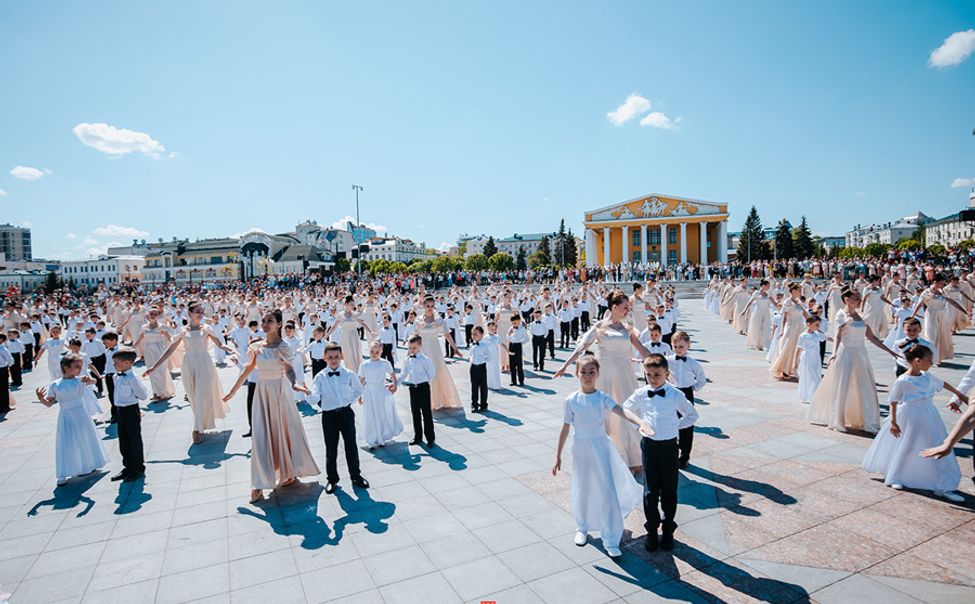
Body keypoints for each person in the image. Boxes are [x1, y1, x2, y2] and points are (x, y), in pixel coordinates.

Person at [552, 356, 647, 558]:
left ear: (598, 374)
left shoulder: (602, 397)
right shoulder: (570, 400)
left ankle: (611, 537)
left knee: (606, 489)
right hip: (580, 448)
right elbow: (565, 428)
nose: (587, 376)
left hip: (601, 446)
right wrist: (558, 456)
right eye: (583, 372)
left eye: (591, 372)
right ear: (577, 374)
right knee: (583, 487)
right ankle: (582, 527)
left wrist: (639, 421)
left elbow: (621, 411)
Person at [223, 310, 320, 503]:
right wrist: (232, 391)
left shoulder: (282, 347)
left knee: (283, 433)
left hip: (280, 393)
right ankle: (258, 484)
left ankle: (288, 471)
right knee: (261, 436)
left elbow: (290, 369)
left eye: (270, 321)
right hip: (262, 393)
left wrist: (294, 384)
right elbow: (247, 370)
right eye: (264, 320)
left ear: (279, 324)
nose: (265, 324)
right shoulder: (256, 347)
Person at [555, 290, 652, 471]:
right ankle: (609, 456)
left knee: (628, 411)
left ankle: (632, 458)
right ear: (614, 307)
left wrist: (660, 364)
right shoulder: (599, 326)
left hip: (625, 374)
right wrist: (565, 365)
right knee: (607, 414)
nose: (627, 311)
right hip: (605, 374)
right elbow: (582, 347)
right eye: (624, 307)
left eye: (628, 308)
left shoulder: (627, 328)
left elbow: (643, 350)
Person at [862, 344, 966, 502]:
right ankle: (897, 476)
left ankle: (943, 483)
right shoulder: (903, 380)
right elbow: (893, 401)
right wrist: (893, 422)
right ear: (917, 361)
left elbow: (943, 383)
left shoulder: (927, 376)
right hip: (910, 415)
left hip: (929, 415)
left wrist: (960, 395)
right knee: (907, 445)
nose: (932, 363)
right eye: (929, 360)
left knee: (936, 443)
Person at [624, 355, 699, 552]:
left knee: (669, 489)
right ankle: (651, 530)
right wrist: (639, 426)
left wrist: (676, 427)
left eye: (657, 374)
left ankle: (668, 529)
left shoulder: (675, 394)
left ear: (667, 374)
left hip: (669, 447)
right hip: (649, 446)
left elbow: (692, 415)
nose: (653, 378)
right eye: (648, 374)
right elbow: (626, 409)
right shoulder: (641, 393)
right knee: (650, 491)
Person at [808, 290, 899, 433]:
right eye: (856, 298)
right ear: (847, 299)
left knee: (863, 386)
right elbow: (837, 336)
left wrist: (890, 351)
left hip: (861, 354)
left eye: (859, 298)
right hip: (846, 352)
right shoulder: (841, 315)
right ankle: (838, 420)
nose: (860, 300)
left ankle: (866, 420)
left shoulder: (861, 316)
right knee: (843, 386)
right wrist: (833, 353)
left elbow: (872, 338)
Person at [145, 301, 233, 444]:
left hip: (204, 363)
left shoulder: (207, 328)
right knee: (193, 396)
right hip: (189, 364)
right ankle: (200, 423)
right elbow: (170, 350)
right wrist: (154, 367)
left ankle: (196, 429)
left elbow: (220, 344)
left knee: (201, 394)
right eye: (197, 311)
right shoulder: (183, 331)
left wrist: (231, 351)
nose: (200, 314)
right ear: (189, 313)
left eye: (201, 311)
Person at [35, 354, 108, 485]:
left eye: (80, 367)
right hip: (66, 415)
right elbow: (49, 403)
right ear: (66, 367)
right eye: (77, 367)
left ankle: (88, 464)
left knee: (85, 437)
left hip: (82, 413)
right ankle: (63, 473)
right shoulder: (55, 385)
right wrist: (41, 399)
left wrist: (89, 380)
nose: (80, 369)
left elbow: (94, 382)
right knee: (67, 441)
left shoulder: (79, 380)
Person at [307, 343, 369, 494]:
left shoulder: (348, 374)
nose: (333, 360)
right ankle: (332, 479)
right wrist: (308, 393)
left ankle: (356, 475)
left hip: (346, 414)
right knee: (331, 448)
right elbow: (314, 398)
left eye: (336, 357)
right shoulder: (320, 377)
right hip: (328, 416)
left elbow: (358, 390)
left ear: (341, 357)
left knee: (351, 446)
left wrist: (348, 400)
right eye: (330, 357)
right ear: (324, 358)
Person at [414, 295, 463, 408]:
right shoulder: (418, 320)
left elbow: (447, 334)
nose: (430, 308)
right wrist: (411, 350)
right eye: (427, 306)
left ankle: (439, 400)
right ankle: (426, 401)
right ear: (423, 306)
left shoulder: (439, 320)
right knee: (424, 373)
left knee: (437, 371)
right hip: (423, 348)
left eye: (432, 305)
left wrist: (455, 348)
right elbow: (415, 335)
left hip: (435, 348)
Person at [667, 332, 706, 468]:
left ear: (688, 346)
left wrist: (692, 388)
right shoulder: (668, 360)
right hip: (672, 392)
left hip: (686, 393)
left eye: (681, 346)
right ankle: (672, 451)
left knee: (687, 424)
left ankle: (685, 455)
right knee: (671, 422)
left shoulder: (693, 363)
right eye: (675, 346)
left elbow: (701, 378)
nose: (678, 349)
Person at [110, 347, 148, 482]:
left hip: (131, 410)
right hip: (120, 410)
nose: (114, 365)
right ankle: (127, 466)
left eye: (116, 362)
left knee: (134, 440)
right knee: (124, 440)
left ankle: (137, 467)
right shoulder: (116, 376)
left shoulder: (132, 378)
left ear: (127, 363)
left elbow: (143, 395)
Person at [358, 340, 403, 449]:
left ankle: (381, 436)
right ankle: (371, 438)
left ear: (381, 352)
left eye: (377, 352)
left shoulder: (384, 363)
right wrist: (359, 396)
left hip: (381, 391)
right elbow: (361, 381)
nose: (374, 354)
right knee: (370, 414)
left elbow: (393, 374)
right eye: (372, 351)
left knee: (381, 413)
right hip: (369, 392)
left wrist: (395, 384)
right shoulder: (364, 365)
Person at [401, 334, 436, 446]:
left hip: (423, 388)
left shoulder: (426, 360)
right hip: (413, 389)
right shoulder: (407, 360)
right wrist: (394, 383)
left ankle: (430, 438)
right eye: (410, 348)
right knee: (415, 413)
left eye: (414, 348)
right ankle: (418, 436)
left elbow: (431, 374)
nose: (412, 350)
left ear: (420, 346)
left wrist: (423, 382)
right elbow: (403, 374)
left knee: (426, 413)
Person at [794, 316, 827, 404]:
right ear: (809, 324)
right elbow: (798, 349)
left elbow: (826, 338)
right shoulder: (803, 336)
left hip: (816, 358)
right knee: (812, 378)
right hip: (808, 359)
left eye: (819, 324)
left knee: (817, 376)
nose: (818, 326)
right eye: (816, 324)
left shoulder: (817, 334)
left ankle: (813, 395)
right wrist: (795, 362)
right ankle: (810, 396)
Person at [468, 325, 489, 413]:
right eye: (472, 334)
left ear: (482, 335)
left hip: (481, 367)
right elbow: (470, 355)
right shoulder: (471, 345)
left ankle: (483, 404)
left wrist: (482, 360)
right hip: (473, 367)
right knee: (474, 387)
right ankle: (474, 404)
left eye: (476, 334)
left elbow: (489, 357)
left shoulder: (484, 345)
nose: (473, 336)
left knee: (483, 386)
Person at [506, 313, 529, 386]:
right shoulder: (511, 328)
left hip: (518, 346)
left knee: (519, 365)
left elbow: (527, 339)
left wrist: (520, 343)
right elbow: (507, 338)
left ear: (519, 321)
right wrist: (509, 334)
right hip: (511, 346)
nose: (514, 324)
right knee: (512, 364)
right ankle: (513, 381)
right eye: (512, 323)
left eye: (515, 322)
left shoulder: (522, 329)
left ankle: (521, 381)